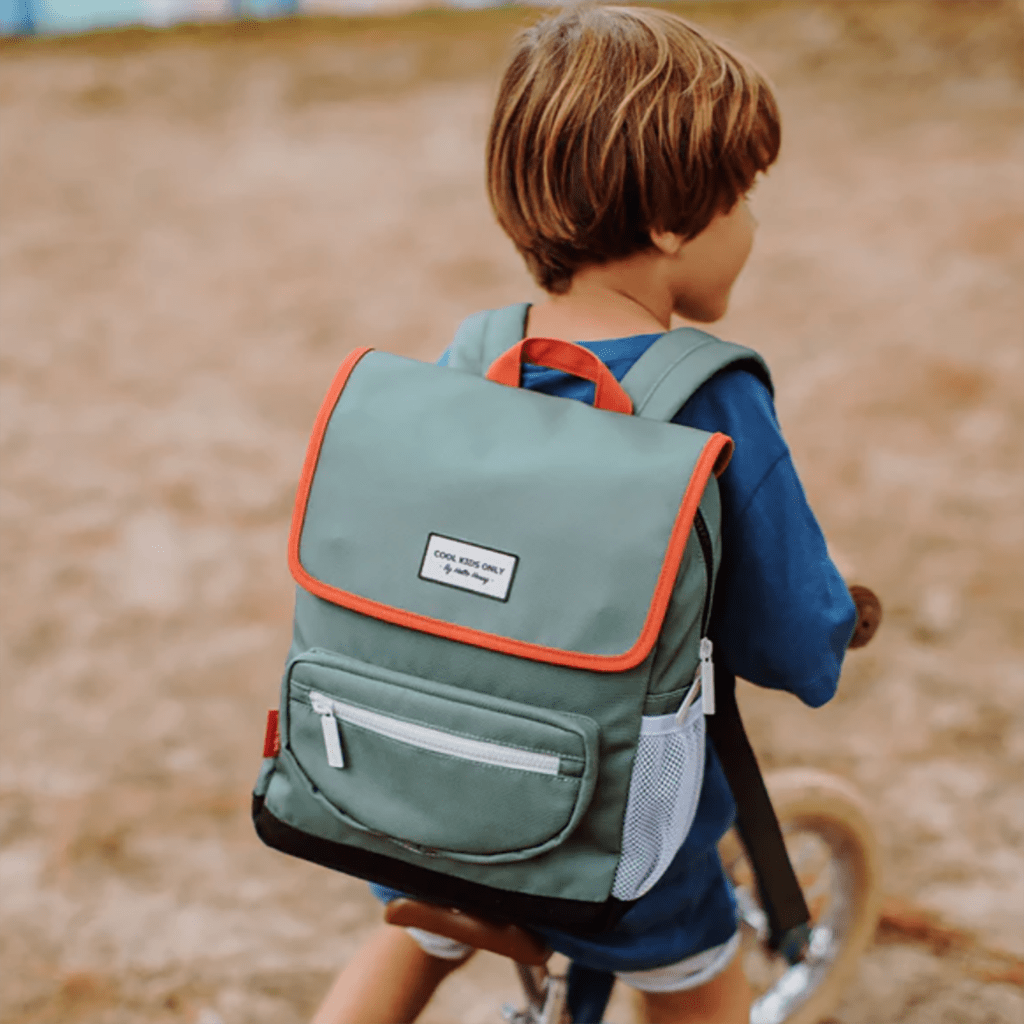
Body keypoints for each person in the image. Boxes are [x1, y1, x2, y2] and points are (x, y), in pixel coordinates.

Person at [311, 6, 856, 1023]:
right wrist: (832, 634)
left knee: (412, 935)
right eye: (742, 196)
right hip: (609, 858)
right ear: (669, 224)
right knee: (692, 970)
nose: (752, 224)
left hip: (419, 803)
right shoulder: (709, 400)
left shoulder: (468, 363)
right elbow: (788, 631)